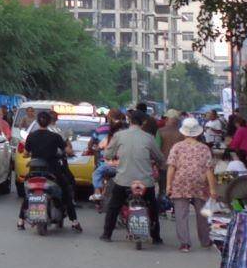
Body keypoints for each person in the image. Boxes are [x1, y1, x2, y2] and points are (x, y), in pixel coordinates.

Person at [99, 113, 164, 244]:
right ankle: (156, 237)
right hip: (145, 182)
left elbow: (107, 154)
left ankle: (107, 234)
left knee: (114, 206)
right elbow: (159, 157)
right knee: (152, 207)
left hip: (123, 180)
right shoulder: (149, 138)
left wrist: (116, 156)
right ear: (143, 123)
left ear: (130, 121)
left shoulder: (119, 135)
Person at [17, 109, 81, 232]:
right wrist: (70, 152)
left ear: (37, 122)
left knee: (29, 194)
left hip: (34, 171)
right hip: (52, 170)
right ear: (49, 122)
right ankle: (74, 222)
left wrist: (29, 154)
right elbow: (67, 150)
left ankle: (20, 221)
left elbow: (25, 153)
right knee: (66, 191)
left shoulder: (31, 136)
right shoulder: (55, 136)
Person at [165, 117, 216, 252]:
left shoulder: (177, 147)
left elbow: (171, 167)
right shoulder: (204, 148)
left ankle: (185, 243)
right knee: (202, 213)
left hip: (180, 181)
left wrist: (168, 185)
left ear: (183, 132)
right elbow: (208, 170)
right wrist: (212, 189)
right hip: (199, 183)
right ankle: (205, 240)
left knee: (181, 213)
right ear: (198, 133)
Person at [90, 108, 128, 203]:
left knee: (96, 173)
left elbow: (97, 147)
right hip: (125, 165)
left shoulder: (106, 135)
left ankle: (97, 192)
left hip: (107, 165)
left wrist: (95, 149)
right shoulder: (127, 131)